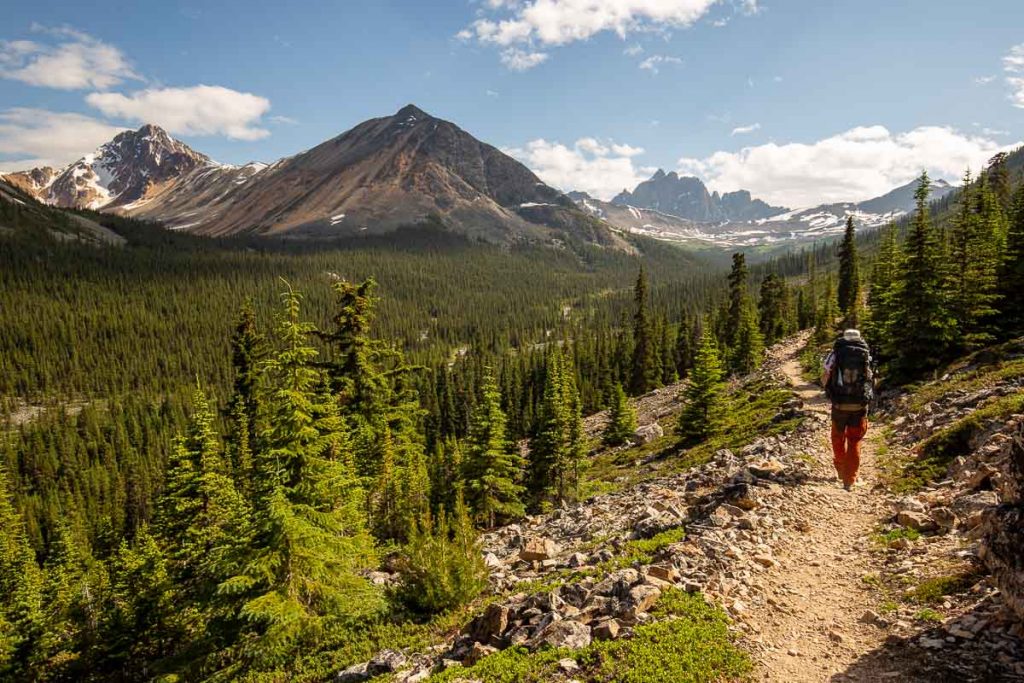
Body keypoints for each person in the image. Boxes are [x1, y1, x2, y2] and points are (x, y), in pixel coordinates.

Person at [822, 329, 873, 490]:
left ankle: (840, 468)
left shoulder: (835, 353)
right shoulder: (865, 354)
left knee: (837, 436)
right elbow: (870, 378)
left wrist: (830, 391)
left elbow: (825, 375)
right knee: (855, 439)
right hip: (859, 405)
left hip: (839, 404)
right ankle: (850, 479)